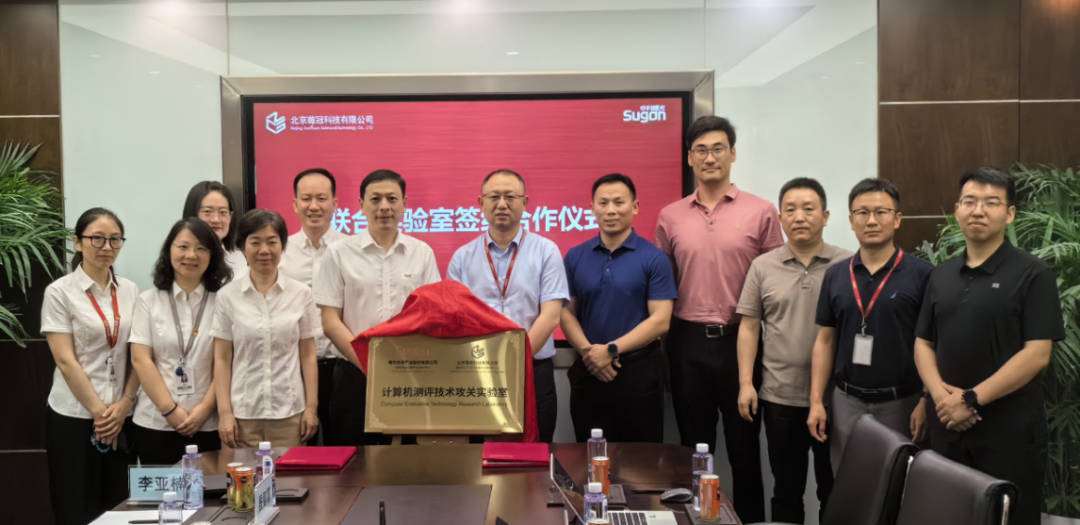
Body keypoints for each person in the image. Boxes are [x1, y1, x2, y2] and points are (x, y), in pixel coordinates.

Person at [914, 168, 1064, 525]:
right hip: (947, 426)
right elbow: (923, 343)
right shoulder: (940, 274)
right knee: (949, 516)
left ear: (1009, 214)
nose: (978, 210)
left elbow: (1037, 354)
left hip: (1009, 432)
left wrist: (970, 400)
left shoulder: (1033, 274)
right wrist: (942, 399)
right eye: (970, 201)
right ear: (957, 209)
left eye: (991, 203)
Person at [655, 116, 781, 523]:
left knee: (745, 450)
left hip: (741, 341)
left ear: (733, 154)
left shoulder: (762, 211)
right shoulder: (670, 216)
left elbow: (774, 280)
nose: (710, 158)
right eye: (701, 150)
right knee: (694, 451)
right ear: (690, 158)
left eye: (718, 149)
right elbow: (663, 282)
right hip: (686, 341)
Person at [735, 178, 850, 523]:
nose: (800, 217)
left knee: (834, 489)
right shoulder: (763, 266)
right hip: (780, 396)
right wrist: (745, 383)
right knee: (786, 492)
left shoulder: (847, 265)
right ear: (780, 218)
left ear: (825, 216)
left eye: (809, 209)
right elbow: (749, 327)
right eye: (791, 210)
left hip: (835, 399)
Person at [807, 178, 933, 474]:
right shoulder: (836, 275)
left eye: (881, 212)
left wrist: (926, 400)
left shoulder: (923, 275)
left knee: (900, 484)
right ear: (851, 221)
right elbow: (825, 341)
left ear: (897, 219)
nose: (871, 220)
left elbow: (932, 343)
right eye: (862, 213)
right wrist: (816, 401)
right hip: (846, 402)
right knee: (849, 482)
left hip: (902, 403)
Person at [314, 169, 440, 446]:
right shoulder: (339, 253)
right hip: (354, 375)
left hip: (410, 375)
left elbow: (431, 317)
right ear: (361, 205)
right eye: (375, 199)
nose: (384, 206)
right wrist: (368, 364)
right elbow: (330, 321)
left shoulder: (422, 253)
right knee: (352, 461)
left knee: (407, 459)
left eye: (392, 199)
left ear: (404, 203)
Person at [447, 169, 569, 443]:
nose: (502, 204)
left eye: (510, 197)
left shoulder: (546, 251)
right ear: (481, 202)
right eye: (494, 197)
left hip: (533, 371)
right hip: (478, 373)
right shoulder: (462, 258)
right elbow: (456, 320)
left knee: (535, 452)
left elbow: (551, 316)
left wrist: (515, 362)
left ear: (525, 202)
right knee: (479, 455)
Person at [41, 207, 140, 525]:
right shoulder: (59, 292)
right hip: (74, 416)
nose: (106, 247)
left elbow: (139, 354)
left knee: (118, 505)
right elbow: (65, 360)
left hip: (120, 416)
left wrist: (126, 403)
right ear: (77, 242)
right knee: (75, 506)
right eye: (97, 238)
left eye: (114, 239)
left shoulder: (131, 291)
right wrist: (100, 413)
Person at [561, 173, 676, 443]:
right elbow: (565, 312)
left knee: (641, 459)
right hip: (589, 370)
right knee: (590, 456)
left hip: (637, 372)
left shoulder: (654, 258)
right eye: (603, 203)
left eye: (619, 202)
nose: (610, 210)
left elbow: (661, 321)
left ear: (634, 207)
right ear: (592, 208)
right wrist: (591, 355)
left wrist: (611, 351)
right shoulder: (575, 256)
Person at [210, 209, 319, 448]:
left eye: (272, 242)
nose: (264, 250)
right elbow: (222, 358)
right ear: (242, 248)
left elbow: (308, 354)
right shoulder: (227, 296)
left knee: (290, 474)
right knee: (241, 474)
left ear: (282, 246)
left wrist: (311, 408)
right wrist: (225, 413)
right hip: (242, 416)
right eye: (255, 242)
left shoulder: (301, 294)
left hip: (290, 415)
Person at [130, 218, 230, 466]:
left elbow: (226, 361)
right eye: (183, 247)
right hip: (155, 421)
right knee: (161, 492)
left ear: (212, 255)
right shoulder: (148, 301)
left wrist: (205, 409)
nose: (191, 255)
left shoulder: (224, 302)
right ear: (169, 250)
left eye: (201, 248)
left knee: (208, 490)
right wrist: (170, 410)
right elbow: (140, 359)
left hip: (208, 423)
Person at [278, 168, 346, 446]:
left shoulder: (351, 249)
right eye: (306, 199)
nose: (314, 206)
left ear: (335, 203)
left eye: (322, 198)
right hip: (294, 368)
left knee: (342, 446)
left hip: (342, 367)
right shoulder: (280, 252)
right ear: (295, 204)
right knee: (299, 451)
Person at [183, 181, 247, 273]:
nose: (216, 220)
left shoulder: (237, 258)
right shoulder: (181, 258)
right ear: (192, 214)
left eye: (223, 212)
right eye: (208, 212)